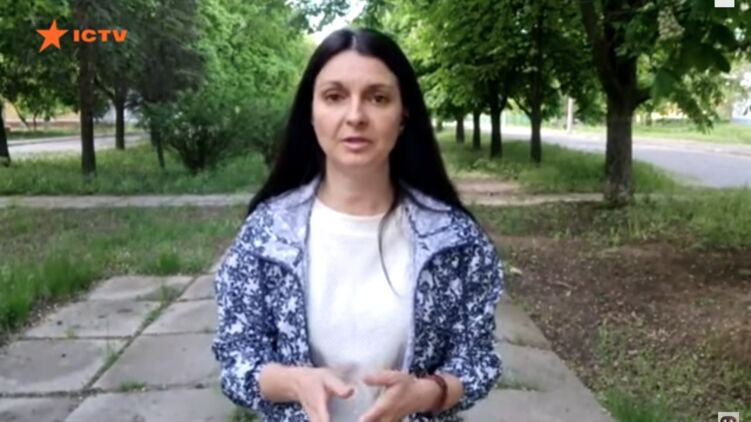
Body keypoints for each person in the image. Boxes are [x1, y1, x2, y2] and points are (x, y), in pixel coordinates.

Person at [212, 27, 504, 422]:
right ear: (311, 113)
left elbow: (477, 362)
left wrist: (424, 393)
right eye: (334, 96)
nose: (355, 116)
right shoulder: (266, 234)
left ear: (403, 115)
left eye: (377, 98)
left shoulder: (454, 240)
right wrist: (295, 383)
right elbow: (237, 358)